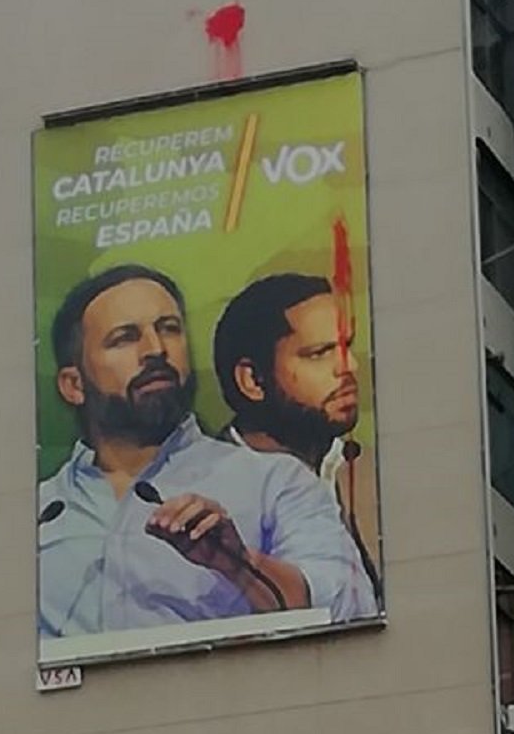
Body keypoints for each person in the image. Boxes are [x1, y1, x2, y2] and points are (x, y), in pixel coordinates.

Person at [38, 263, 377, 641]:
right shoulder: (40, 515)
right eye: (124, 338)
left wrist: (241, 567)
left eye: (169, 329)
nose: (156, 350)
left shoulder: (273, 480)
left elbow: (349, 611)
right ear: (73, 385)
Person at [212, 272, 381, 596]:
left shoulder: (376, 473)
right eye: (319, 353)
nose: (348, 368)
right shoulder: (198, 496)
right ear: (253, 380)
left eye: (346, 346)